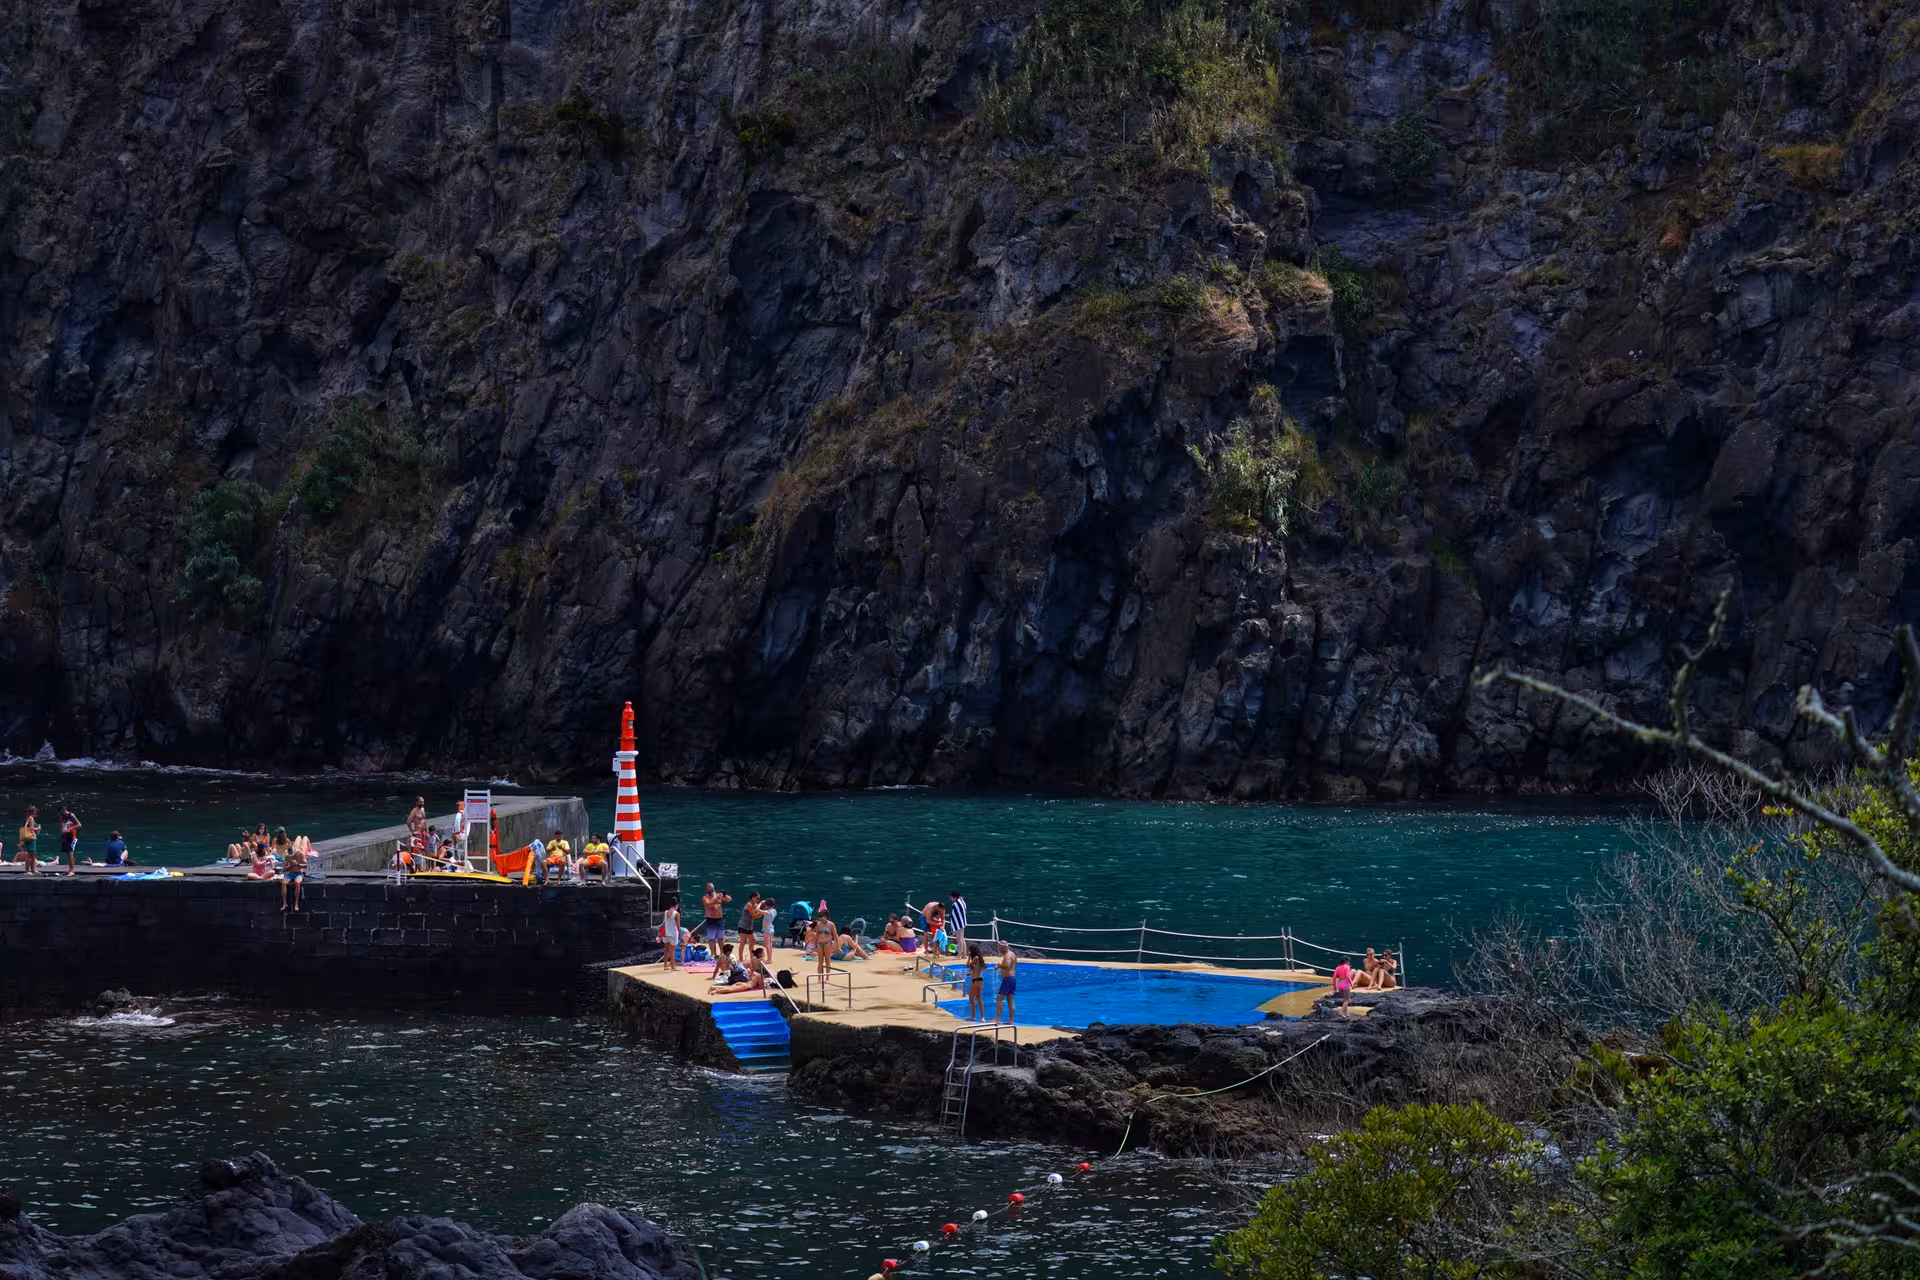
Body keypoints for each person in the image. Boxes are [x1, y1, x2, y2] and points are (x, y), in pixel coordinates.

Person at [280, 837, 310, 912]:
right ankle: (284, 903)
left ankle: (296, 903)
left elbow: (306, 865)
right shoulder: (287, 856)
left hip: (298, 873)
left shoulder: (300, 854)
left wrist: (298, 864)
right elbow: (284, 868)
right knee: (283, 883)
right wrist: (290, 866)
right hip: (290, 873)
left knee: (297, 883)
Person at [995, 943, 1018, 1024]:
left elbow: (1007, 965)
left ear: (1004, 947)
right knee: (1010, 1000)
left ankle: (997, 1019)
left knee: (999, 999)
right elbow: (1015, 966)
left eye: (1001, 948)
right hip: (1013, 978)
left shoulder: (1007, 955)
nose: (1000, 949)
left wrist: (999, 966)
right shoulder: (1013, 954)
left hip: (1008, 979)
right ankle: (1011, 1020)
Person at [702, 884, 731, 948]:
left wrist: (724, 895)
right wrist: (716, 899)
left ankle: (722, 953)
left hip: (719, 919)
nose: (711, 889)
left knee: (721, 938)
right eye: (709, 888)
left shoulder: (718, 895)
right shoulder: (705, 898)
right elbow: (708, 905)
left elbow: (729, 899)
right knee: (712, 939)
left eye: (712, 888)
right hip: (711, 919)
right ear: (706, 889)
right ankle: (713, 954)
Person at [739, 892, 763, 961]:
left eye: (759, 898)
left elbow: (756, 910)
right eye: (757, 898)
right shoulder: (749, 904)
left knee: (752, 941)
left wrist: (761, 906)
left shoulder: (755, 904)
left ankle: (752, 958)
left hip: (749, 926)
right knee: (743, 942)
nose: (758, 899)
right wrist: (761, 914)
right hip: (743, 926)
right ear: (753, 897)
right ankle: (741, 958)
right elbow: (753, 916)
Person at [966, 943, 987, 1021]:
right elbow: (977, 970)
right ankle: (981, 1017)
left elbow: (967, 965)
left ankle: (974, 1016)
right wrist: (971, 974)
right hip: (978, 980)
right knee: (978, 998)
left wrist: (968, 957)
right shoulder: (978, 958)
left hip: (976, 980)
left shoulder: (975, 958)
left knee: (972, 998)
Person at [58, 806, 80, 876]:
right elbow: (61, 826)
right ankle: (70, 869)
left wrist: (70, 829)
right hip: (65, 837)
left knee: (70, 853)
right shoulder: (62, 817)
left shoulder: (71, 815)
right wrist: (62, 830)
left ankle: (72, 871)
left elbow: (79, 824)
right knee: (68, 854)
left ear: (64, 811)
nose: (61, 814)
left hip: (72, 837)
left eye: (62, 812)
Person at [18, 806, 40, 875]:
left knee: (32, 855)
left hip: (27, 838)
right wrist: (38, 828)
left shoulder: (27, 818)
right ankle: (28, 871)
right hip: (31, 838)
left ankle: (32, 870)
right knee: (30, 855)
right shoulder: (31, 818)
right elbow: (32, 829)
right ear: (33, 811)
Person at [661, 904, 682, 971]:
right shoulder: (677, 914)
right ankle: (673, 967)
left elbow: (664, 922)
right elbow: (678, 926)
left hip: (666, 933)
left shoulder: (666, 912)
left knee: (666, 950)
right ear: (676, 905)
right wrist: (681, 934)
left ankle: (665, 966)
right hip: (673, 933)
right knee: (672, 951)